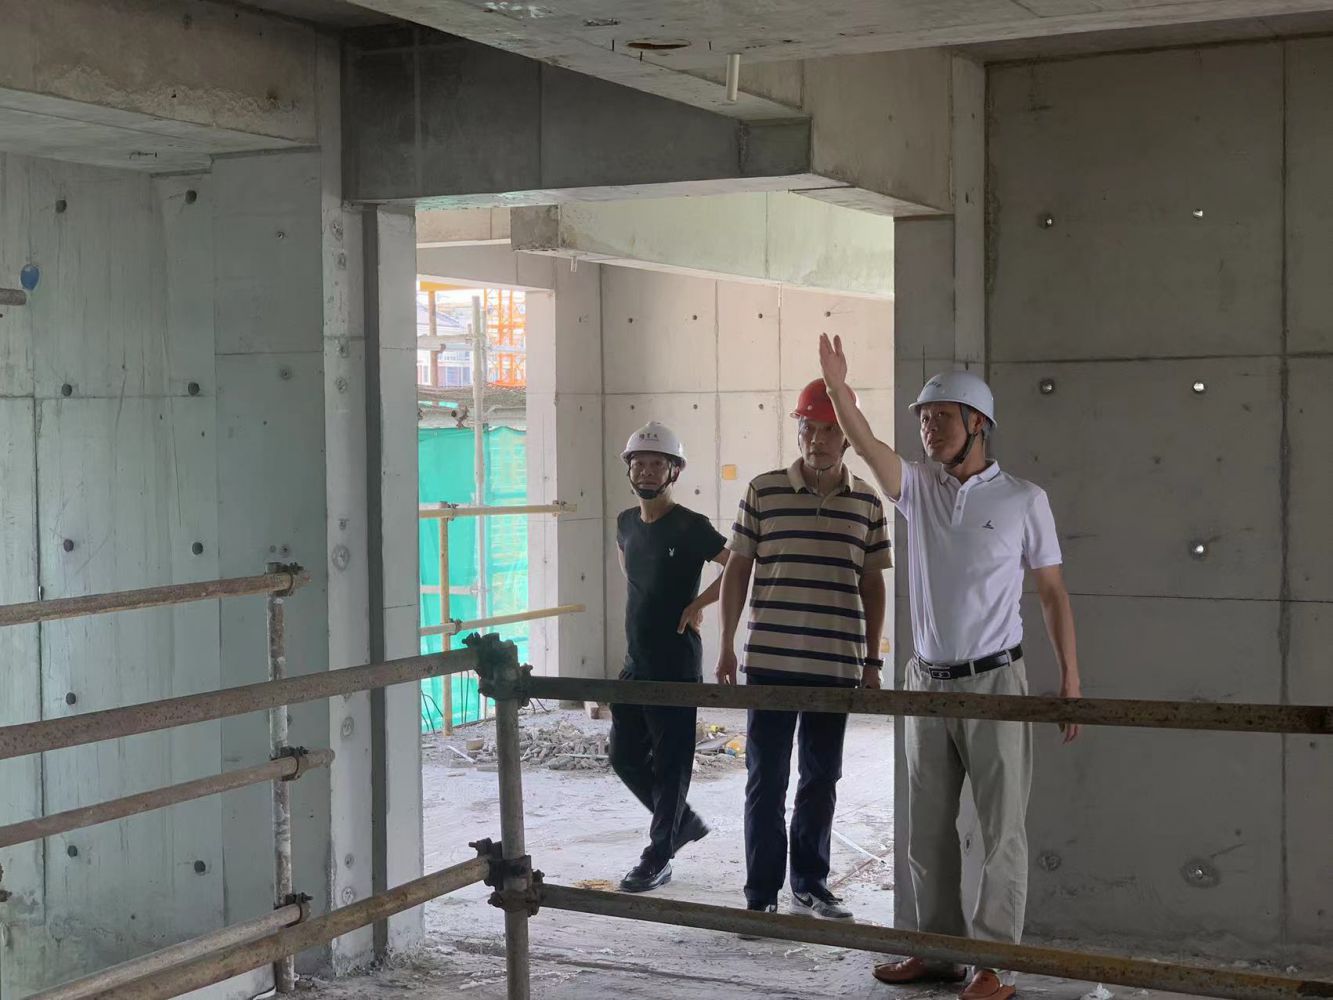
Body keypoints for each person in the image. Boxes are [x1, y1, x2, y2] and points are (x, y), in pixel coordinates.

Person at [817, 335, 1081, 1000]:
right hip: (924, 683)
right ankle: (936, 953)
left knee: (1001, 833)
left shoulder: (1023, 499)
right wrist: (839, 389)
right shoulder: (918, 489)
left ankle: (994, 965)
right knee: (927, 831)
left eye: (940, 418)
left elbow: (1052, 593)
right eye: (923, 419)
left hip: (996, 683)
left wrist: (1070, 682)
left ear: (978, 424)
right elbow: (866, 444)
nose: (928, 428)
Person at [716, 379, 891, 920]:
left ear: (847, 438)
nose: (817, 440)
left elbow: (873, 584)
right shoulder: (763, 491)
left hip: (835, 666)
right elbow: (737, 570)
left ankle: (811, 884)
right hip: (769, 662)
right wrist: (726, 647)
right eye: (808, 428)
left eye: (829, 430)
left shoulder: (867, 502)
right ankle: (760, 894)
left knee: (820, 778)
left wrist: (872, 661)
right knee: (765, 780)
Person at [610, 421, 730, 893]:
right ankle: (681, 824)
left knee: (672, 763)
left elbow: (738, 565)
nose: (646, 470)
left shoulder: (691, 525)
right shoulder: (625, 522)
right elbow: (631, 572)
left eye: (656, 463)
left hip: (676, 661)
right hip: (635, 660)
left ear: (673, 471)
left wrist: (699, 604)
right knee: (623, 757)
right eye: (638, 463)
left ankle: (658, 854)